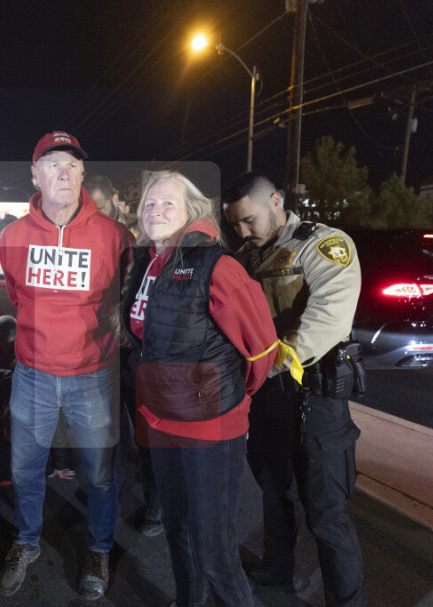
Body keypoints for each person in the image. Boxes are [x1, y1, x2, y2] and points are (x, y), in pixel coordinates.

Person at [119, 171, 277, 607]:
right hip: (160, 419)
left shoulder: (216, 265)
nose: (156, 211)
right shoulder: (148, 262)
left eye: (168, 203)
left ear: (192, 211)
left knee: (215, 550)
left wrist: (228, 398)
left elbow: (262, 348)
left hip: (210, 426)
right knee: (178, 528)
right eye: (150, 204)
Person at [0, 131, 133, 600]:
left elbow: (122, 300)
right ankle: (26, 540)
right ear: (35, 175)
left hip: (94, 376)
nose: (64, 172)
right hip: (32, 375)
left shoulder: (114, 236)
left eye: (73, 164)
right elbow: (18, 296)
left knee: (100, 473)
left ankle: (98, 548)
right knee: (26, 469)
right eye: (53, 164)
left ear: (83, 174)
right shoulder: (13, 236)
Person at [223, 171, 366, 606]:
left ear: (276, 201)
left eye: (248, 220)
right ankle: (277, 570)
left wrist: (265, 366)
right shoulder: (244, 257)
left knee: (326, 513)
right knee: (274, 490)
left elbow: (328, 319)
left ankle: (347, 601)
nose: (242, 231)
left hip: (315, 397)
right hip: (267, 397)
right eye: (235, 224)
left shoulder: (323, 245)